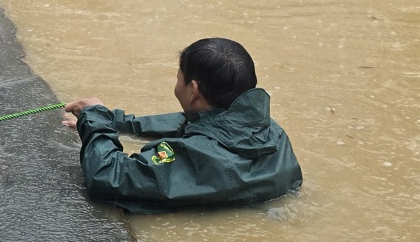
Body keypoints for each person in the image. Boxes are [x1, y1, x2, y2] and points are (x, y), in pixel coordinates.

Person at [63, 37, 302, 214]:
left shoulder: (196, 155)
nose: (177, 84)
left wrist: (94, 119)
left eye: (178, 79)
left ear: (193, 90)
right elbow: (195, 123)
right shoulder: (272, 130)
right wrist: (114, 122)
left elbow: (107, 176)